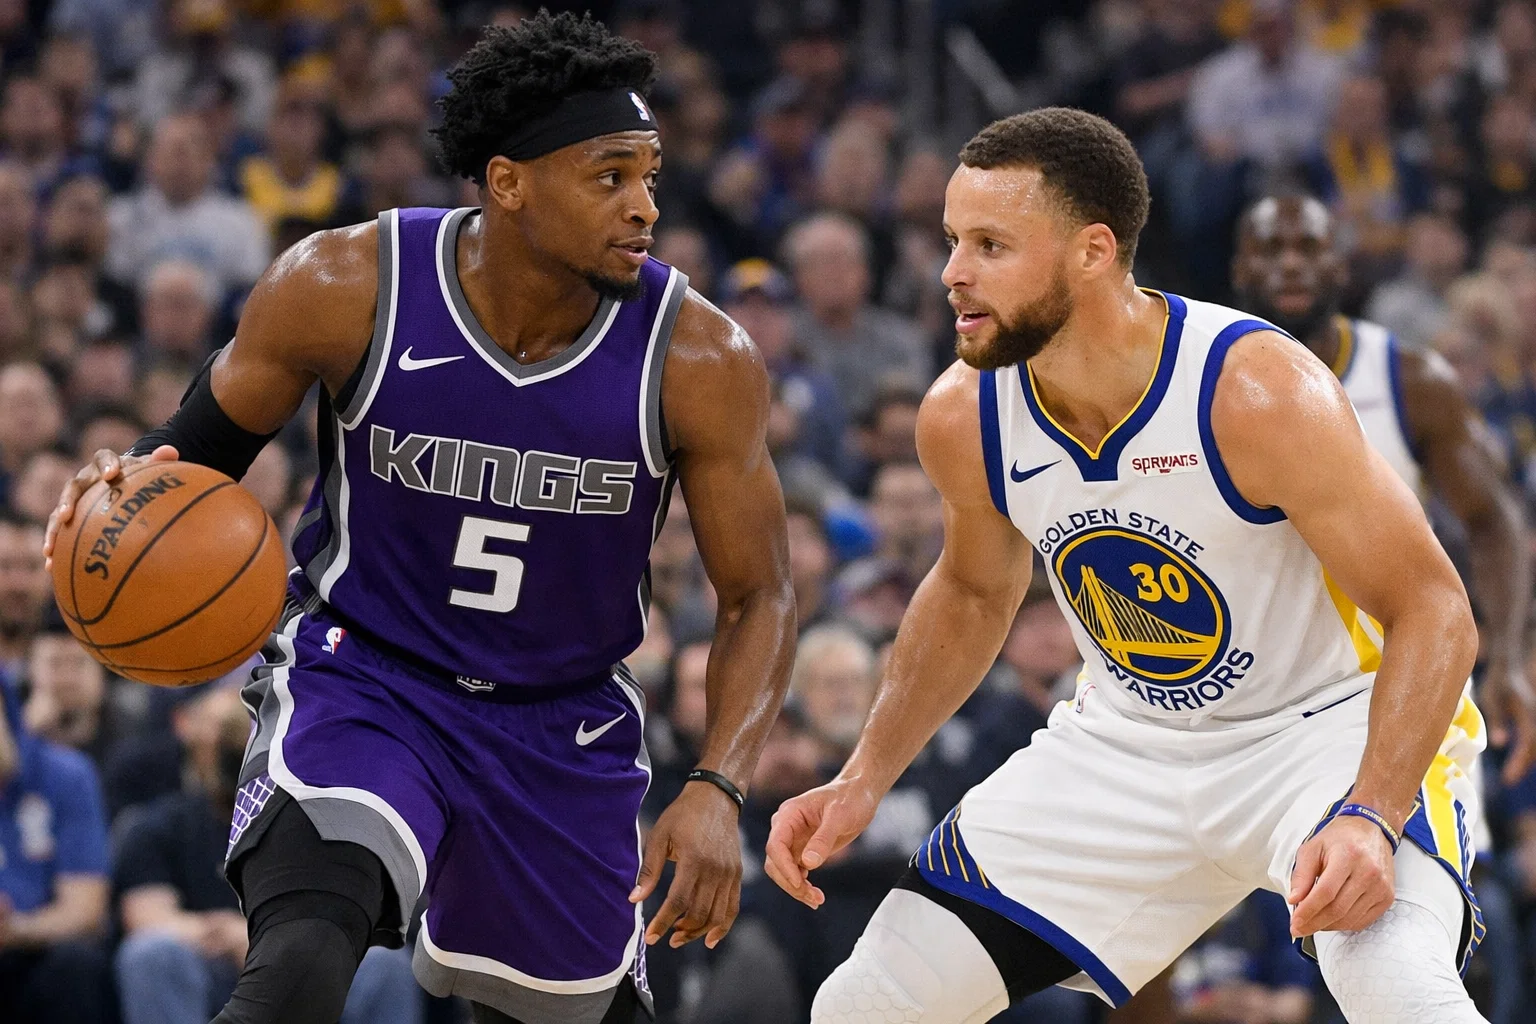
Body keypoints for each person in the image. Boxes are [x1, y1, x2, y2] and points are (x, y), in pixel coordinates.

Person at [47, 13, 796, 1024]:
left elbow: (758, 595)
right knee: (300, 967)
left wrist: (717, 784)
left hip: (561, 721)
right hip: (366, 677)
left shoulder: (701, 357)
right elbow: (194, 452)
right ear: (509, 182)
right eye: (610, 176)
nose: (645, 207)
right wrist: (118, 489)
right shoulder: (345, 283)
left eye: (651, 176)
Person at [768, 108, 1491, 1023]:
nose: (952, 272)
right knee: (867, 1004)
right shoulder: (965, 412)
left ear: (1093, 252)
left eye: (991, 245)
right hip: (1127, 744)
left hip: (1324, 734)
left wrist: (1373, 811)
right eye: (952, 240)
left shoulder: (1254, 390)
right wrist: (864, 775)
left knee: (1396, 989)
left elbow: (1435, 609)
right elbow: (973, 591)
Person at [1232, 192, 1536, 785]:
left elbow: (1492, 518)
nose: (1290, 264)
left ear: (1340, 268)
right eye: (1271, 249)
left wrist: (1507, 654)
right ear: (1240, 270)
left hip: (1395, 680)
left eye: (1309, 248)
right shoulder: (1200, 381)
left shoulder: (1411, 381)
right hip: (1256, 694)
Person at [114, 683, 421, 1024]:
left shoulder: (320, 823)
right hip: (208, 966)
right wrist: (230, 937)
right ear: (202, 750)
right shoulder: (161, 826)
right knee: (151, 953)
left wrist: (260, 943)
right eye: (228, 746)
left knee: (384, 963)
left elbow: (354, 918)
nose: (239, 762)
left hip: (306, 962)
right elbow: (147, 917)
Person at [0, 670, 112, 1024]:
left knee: (74, 964)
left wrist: (16, 930)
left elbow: (86, 910)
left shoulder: (66, 774)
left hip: (38, 953)